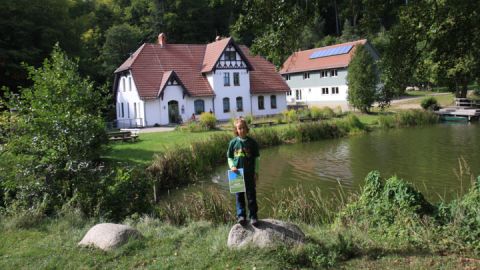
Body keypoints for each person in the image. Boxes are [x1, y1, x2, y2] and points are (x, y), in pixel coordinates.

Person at [227, 118, 260, 226]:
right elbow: (229, 157)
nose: (242, 130)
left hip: (249, 174)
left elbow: (257, 158)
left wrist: (256, 172)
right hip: (236, 174)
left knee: (251, 196)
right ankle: (241, 216)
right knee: (239, 196)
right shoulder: (233, 143)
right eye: (239, 128)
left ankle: (253, 216)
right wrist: (232, 166)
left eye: (243, 128)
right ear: (236, 130)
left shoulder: (252, 143)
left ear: (247, 129)